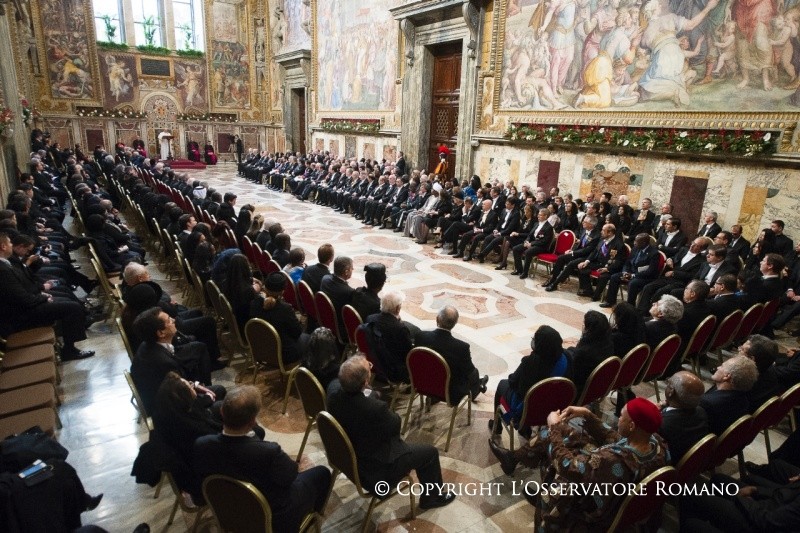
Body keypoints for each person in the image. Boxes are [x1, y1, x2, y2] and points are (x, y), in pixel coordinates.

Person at [488, 398, 668, 530]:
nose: (618, 419)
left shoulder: (613, 461)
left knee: (551, 449)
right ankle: (514, 458)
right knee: (569, 432)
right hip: (607, 485)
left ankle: (545, 505)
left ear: (632, 426)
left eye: (621, 416)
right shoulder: (656, 444)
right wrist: (588, 415)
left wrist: (553, 428)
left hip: (586, 507)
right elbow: (615, 438)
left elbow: (567, 466)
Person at [326, 355, 456, 509]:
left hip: (347, 459)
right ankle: (432, 498)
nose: (370, 366)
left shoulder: (332, 391)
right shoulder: (376, 409)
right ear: (365, 382)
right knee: (430, 453)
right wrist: (373, 398)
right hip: (375, 472)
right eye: (369, 367)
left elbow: (361, 402)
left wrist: (371, 395)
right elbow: (395, 425)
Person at [194, 386, 331, 532]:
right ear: (253, 421)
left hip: (228, 513)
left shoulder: (202, 444)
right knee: (322, 473)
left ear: (222, 412)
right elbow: (290, 476)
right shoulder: (269, 452)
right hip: (272, 519)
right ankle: (312, 518)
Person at [0, 230, 94, 361]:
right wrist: (43, 297)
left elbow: (24, 287)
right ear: (3, 246)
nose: (12, 244)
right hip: (21, 315)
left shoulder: (6, 264)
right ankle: (69, 351)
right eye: (10, 242)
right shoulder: (3, 270)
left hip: (26, 305)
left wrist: (41, 294)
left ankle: (79, 325)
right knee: (72, 308)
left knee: (66, 300)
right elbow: (22, 298)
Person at [131, 307, 224, 415]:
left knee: (217, 389)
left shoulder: (146, 345)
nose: (174, 320)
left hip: (162, 400)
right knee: (219, 394)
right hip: (169, 412)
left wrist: (196, 385)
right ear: (161, 333)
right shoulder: (165, 363)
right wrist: (208, 397)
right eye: (169, 320)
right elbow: (184, 402)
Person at [490, 325, 572, 435]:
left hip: (528, 411)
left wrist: (512, 377)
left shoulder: (530, 363)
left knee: (502, 384)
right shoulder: (566, 358)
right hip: (555, 407)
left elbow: (514, 384)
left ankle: (497, 426)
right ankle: (524, 429)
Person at [414, 306, 488, 402]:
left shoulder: (420, 336)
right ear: (455, 323)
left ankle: (479, 384)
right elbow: (468, 371)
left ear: (437, 319)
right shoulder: (461, 347)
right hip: (449, 393)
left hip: (421, 384)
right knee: (474, 373)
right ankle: (479, 386)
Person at [250, 272, 310, 365]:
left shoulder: (254, 303)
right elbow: (297, 332)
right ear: (283, 291)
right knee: (309, 338)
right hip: (283, 354)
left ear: (265, 287)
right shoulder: (285, 309)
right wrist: (300, 322)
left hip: (260, 350)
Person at [659, 371, 710, 464]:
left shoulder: (662, 423)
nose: (667, 384)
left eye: (668, 383)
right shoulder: (701, 412)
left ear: (671, 392)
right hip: (694, 463)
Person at [699, 355, 758, 434]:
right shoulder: (744, 401)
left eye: (722, 366)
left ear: (726, 376)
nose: (718, 367)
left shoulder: (706, 403)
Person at [568, 310, 614, 396]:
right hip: (598, 386)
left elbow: (573, 374)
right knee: (570, 349)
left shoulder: (583, 353)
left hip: (580, 391)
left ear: (589, 329)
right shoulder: (609, 343)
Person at [320, 256, 354, 340]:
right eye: (351, 268)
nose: (353, 269)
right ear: (346, 272)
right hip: (339, 327)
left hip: (323, 318)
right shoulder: (349, 292)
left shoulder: (325, 279)